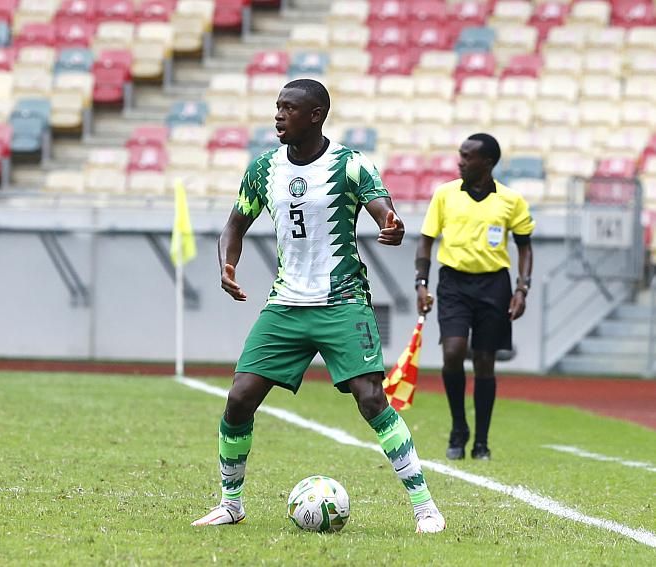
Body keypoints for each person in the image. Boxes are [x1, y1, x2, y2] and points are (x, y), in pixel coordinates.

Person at [191, 79, 445, 533]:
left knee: (371, 398)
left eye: (288, 108)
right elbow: (234, 225)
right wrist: (228, 264)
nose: (278, 115)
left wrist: (390, 224)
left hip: (342, 301)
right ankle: (231, 504)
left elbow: (383, 209)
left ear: (316, 115)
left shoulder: (350, 164)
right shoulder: (263, 169)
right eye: (277, 106)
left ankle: (424, 507)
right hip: (286, 304)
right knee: (239, 398)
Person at [414, 133, 535, 461]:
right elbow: (426, 241)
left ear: (488, 163)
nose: (461, 161)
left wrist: (522, 288)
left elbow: (525, 248)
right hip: (453, 283)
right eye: (461, 154)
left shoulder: (511, 200)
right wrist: (421, 283)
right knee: (453, 352)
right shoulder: (445, 194)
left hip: (494, 285)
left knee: (484, 360)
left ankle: (481, 441)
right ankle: (458, 427)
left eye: (468, 156)